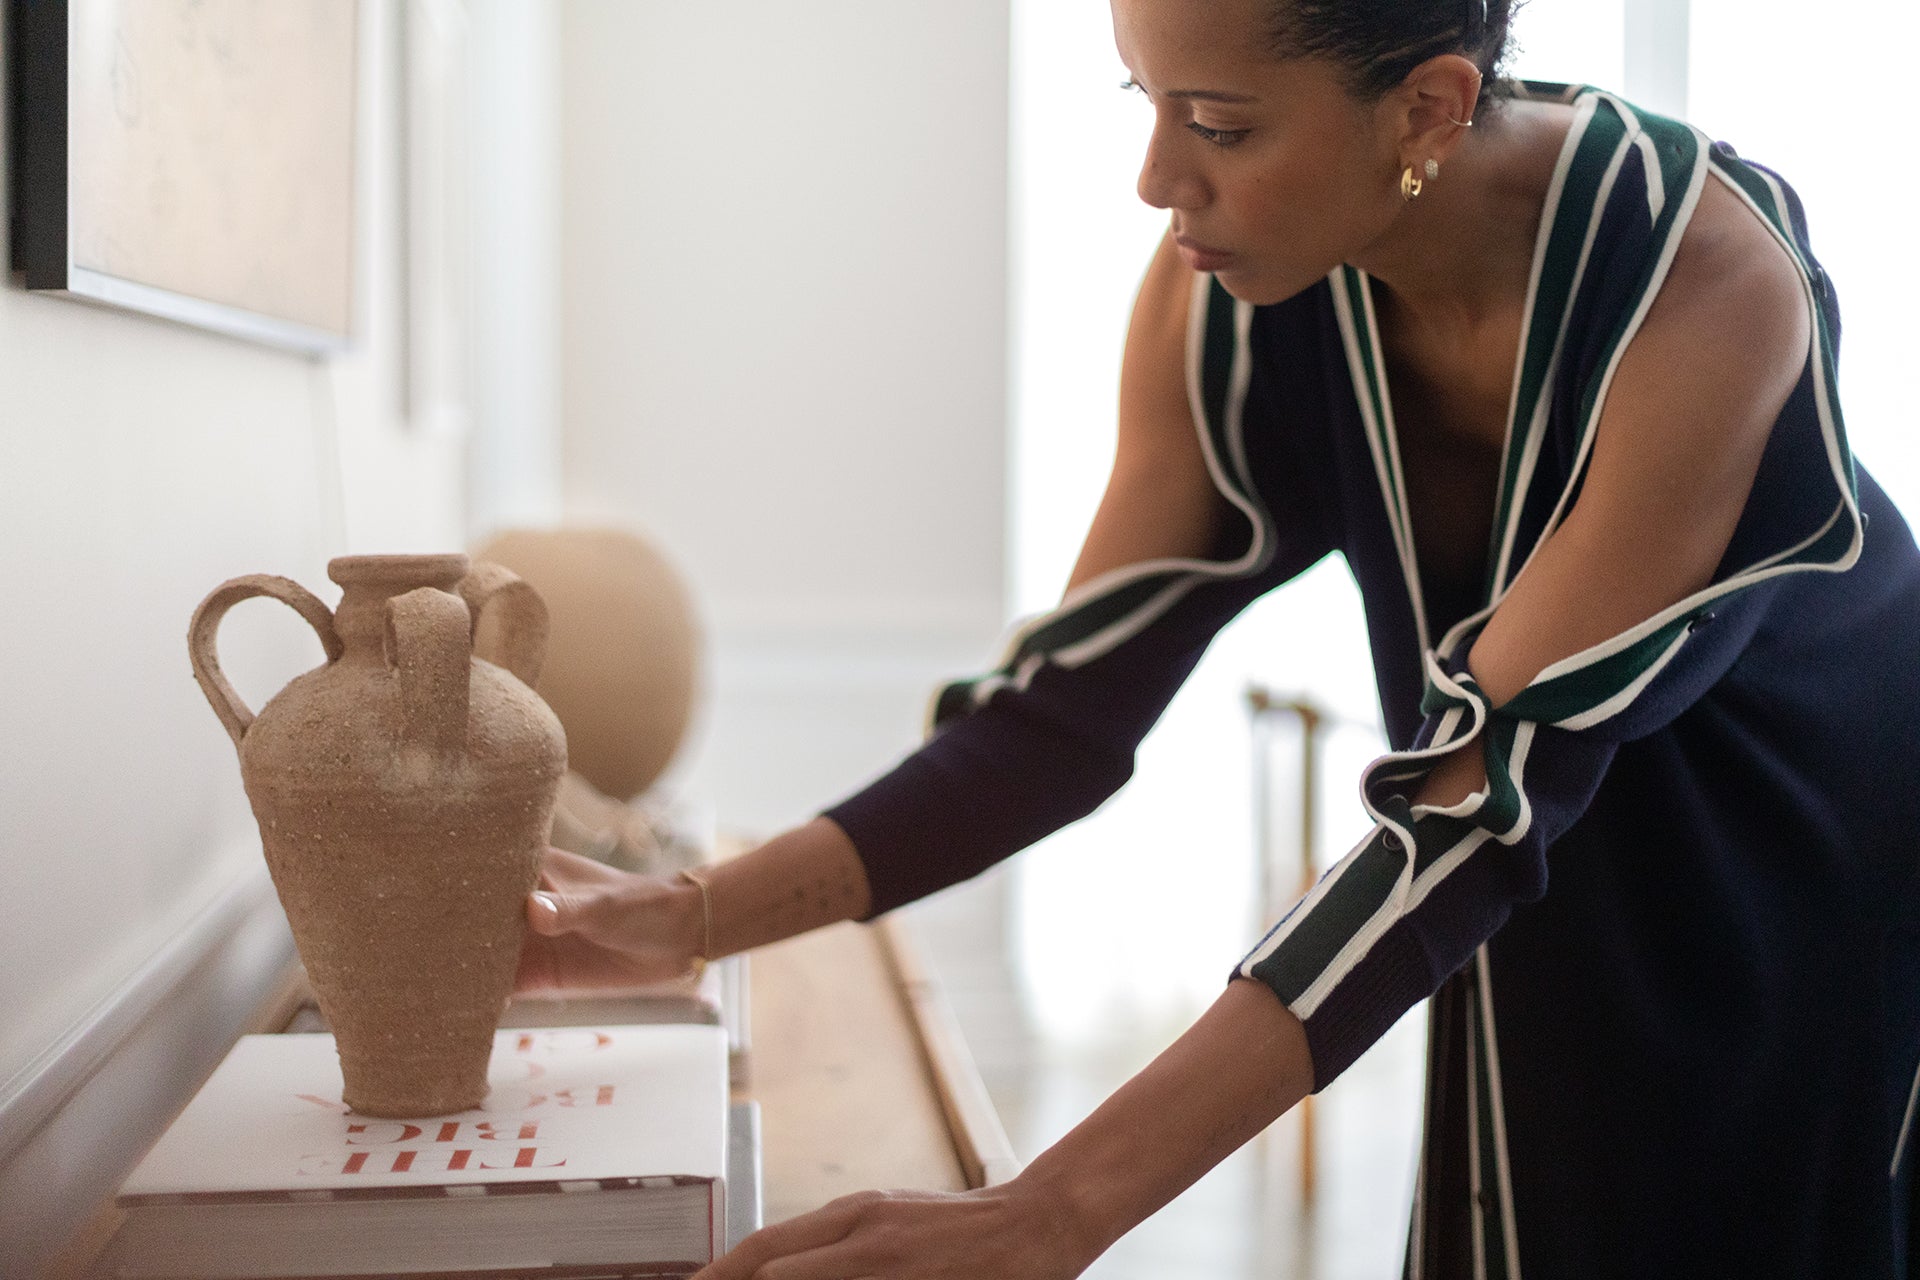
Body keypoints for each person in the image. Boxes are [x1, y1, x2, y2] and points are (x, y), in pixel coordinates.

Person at [516, 0, 1920, 1274]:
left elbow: (1470, 813)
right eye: (1146, 103)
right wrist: (687, 921)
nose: (1157, 183)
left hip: (1811, 831)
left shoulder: (1706, 277)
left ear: (1429, 106)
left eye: (1222, 126)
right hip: (1524, 833)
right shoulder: (1221, 296)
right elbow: (1058, 716)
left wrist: (1051, 1213)